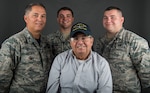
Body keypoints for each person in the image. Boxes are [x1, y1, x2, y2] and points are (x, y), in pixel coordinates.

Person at [94, 6, 150, 93]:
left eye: (112, 17)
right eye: (105, 18)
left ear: (121, 20)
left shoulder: (135, 41)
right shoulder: (99, 42)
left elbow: (146, 74)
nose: (108, 20)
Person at [46, 22, 112, 93]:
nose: (80, 42)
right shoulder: (60, 60)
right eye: (76, 38)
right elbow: (51, 90)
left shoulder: (102, 64)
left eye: (84, 38)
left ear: (91, 41)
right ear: (70, 42)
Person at [0, 3, 52, 93]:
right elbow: (3, 78)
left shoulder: (47, 43)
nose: (40, 19)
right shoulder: (13, 43)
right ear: (26, 18)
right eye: (35, 15)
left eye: (43, 16)